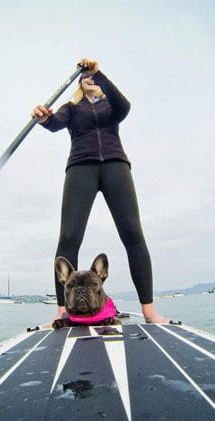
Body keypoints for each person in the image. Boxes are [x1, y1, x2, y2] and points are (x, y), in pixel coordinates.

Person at [32, 58, 168, 324]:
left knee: (133, 233)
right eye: (85, 77)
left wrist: (99, 74)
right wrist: (45, 118)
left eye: (93, 78)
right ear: (79, 84)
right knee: (68, 236)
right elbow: (55, 122)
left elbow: (125, 107)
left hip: (116, 166)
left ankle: (149, 311)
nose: (89, 79)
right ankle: (62, 311)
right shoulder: (71, 108)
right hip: (80, 167)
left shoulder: (110, 105)